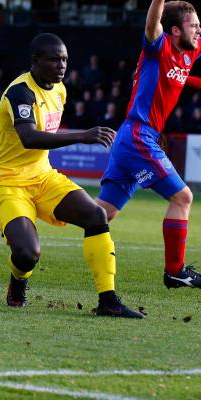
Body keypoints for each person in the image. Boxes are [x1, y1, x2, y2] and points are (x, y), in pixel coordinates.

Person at [0, 33, 144, 318]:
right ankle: (18, 282)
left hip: (42, 176)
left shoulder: (60, 90)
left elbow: (11, 134)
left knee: (96, 215)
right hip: (6, 182)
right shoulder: (20, 91)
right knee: (28, 254)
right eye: (54, 59)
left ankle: (108, 300)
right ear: (35, 61)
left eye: (65, 59)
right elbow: (29, 137)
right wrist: (83, 135)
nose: (61, 65)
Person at [97, 0, 201, 289]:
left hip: (131, 137)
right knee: (183, 198)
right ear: (176, 30)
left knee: (102, 213)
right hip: (138, 136)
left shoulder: (190, 51)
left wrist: (185, 81)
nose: (199, 30)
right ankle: (175, 271)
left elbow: (180, 77)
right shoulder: (159, 46)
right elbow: (152, 23)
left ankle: (31, 214)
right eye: (194, 26)